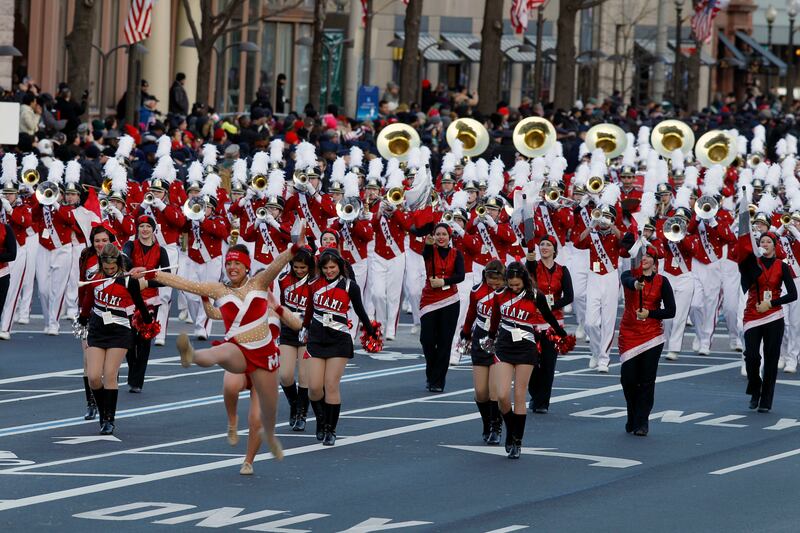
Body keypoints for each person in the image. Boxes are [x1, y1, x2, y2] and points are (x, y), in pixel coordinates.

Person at [132, 239, 308, 460]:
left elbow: (277, 269)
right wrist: (150, 274)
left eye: (237, 264)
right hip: (239, 351)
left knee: (259, 417)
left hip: (265, 358)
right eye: (229, 264)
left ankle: (250, 458)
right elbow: (184, 283)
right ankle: (194, 357)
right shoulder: (219, 289)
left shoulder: (262, 289)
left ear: (247, 268)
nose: (232, 268)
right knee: (224, 364)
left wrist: (294, 248)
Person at [205, 293, 300, 475]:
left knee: (256, 419)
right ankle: (232, 420)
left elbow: (296, 323)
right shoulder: (238, 308)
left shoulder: (273, 308)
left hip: (264, 366)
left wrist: (278, 308)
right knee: (230, 386)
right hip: (241, 360)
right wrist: (203, 296)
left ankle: (248, 461)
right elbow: (213, 314)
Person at [485, 262, 567, 459]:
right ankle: (511, 428)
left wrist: (562, 334)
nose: (514, 288)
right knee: (502, 395)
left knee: (519, 395)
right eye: (511, 285)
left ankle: (517, 442)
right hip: (504, 346)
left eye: (517, 285)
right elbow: (495, 319)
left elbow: (548, 316)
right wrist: (489, 337)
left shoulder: (535, 295)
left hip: (526, 348)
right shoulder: (499, 296)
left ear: (524, 280)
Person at [301, 248, 375, 446]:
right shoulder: (314, 284)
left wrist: (371, 331)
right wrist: (304, 327)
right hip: (316, 338)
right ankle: (320, 420)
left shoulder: (350, 286)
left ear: (340, 266)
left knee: (331, 384)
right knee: (314, 387)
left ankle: (330, 430)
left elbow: (360, 310)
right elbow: (309, 308)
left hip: (339, 339)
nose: (329, 271)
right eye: (325, 268)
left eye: (332, 267)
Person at [78, 244, 153, 435]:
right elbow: (88, 300)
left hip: (120, 331)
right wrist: (82, 318)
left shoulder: (128, 281)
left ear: (118, 263)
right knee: (94, 377)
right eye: (107, 268)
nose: (110, 271)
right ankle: (103, 411)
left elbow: (139, 304)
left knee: (110, 374)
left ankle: (109, 419)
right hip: (97, 329)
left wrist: (148, 322)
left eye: (113, 268)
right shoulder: (94, 277)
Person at [618, 245, 676, 436]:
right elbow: (626, 281)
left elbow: (671, 310)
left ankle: (642, 421)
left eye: (648, 256)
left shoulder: (662, 281)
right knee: (628, 379)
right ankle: (632, 414)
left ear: (654, 262)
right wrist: (636, 284)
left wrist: (650, 313)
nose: (645, 259)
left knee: (646, 381)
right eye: (642, 256)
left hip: (652, 336)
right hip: (629, 334)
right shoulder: (628, 275)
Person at [738, 230, 797, 413]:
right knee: (752, 356)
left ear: (774, 245)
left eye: (768, 242)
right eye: (761, 242)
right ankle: (755, 387)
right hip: (753, 315)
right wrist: (747, 264)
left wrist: (771, 303)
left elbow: (793, 295)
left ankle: (766, 400)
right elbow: (744, 284)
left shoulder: (782, 266)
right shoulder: (752, 264)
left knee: (771, 360)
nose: (764, 244)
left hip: (774, 316)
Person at [121, 215, 170, 393]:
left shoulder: (161, 251)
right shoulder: (130, 245)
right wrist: (126, 262)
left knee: (144, 340)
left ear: (153, 229)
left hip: (150, 301)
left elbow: (166, 278)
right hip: (129, 299)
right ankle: (133, 372)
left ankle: (136, 381)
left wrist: (147, 282)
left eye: (147, 226)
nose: (144, 230)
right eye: (141, 226)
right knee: (128, 339)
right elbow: (124, 258)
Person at [526, 236, 574, 413]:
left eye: (548, 245)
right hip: (533, 322)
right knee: (531, 362)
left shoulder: (562, 270)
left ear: (555, 250)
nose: (544, 247)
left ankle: (542, 402)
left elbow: (569, 296)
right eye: (542, 245)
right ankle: (535, 394)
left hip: (553, 324)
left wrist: (550, 306)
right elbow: (525, 282)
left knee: (548, 363)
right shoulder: (533, 266)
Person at [460, 259, 505, 445]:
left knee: (495, 390)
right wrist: (465, 333)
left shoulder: (509, 293)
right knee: (480, 391)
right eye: (490, 280)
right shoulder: (476, 290)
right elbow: (471, 312)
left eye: (497, 280)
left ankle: (496, 427)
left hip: (500, 340)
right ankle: (486, 423)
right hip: (480, 338)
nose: (493, 284)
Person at [419, 223, 465, 392]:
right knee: (427, 340)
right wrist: (428, 244)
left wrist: (444, 281)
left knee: (445, 342)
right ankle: (431, 373)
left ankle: (437, 381)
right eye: (438, 234)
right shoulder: (430, 250)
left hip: (450, 300)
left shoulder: (456, 254)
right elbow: (425, 254)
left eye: (444, 234)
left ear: (449, 236)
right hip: (430, 300)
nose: (440, 237)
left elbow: (460, 275)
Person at [76, 225, 116, 420]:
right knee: (87, 361)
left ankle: (108, 405)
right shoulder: (86, 256)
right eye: (97, 240)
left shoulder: (119, 258)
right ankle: (91, 403)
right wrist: (81, 311)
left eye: (104, 240)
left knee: (108, 367)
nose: (100, 244)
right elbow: (82, 285)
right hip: (89, 312)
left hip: (112, 314)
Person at [277, 248, 315, 431]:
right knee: (284, 375)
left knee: (304, 376)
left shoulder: (315, 282)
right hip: (287, 330)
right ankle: (294, 404)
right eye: (296, 267)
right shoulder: (283, 280)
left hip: (307, 330)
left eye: (303, 267)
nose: (299, 270)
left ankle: (301, 412)